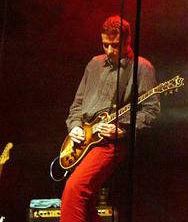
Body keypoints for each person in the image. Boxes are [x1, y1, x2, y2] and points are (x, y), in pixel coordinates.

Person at [60, 16, 159, 222]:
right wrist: (75, 126)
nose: (109, 50)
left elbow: (151, 112)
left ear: (128, 40)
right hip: (84, 140)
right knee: (86, 200)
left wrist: (123, 129)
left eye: (115, 45)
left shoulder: (141, 67)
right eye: (105, 44)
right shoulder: (94, 64)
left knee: (75, 188)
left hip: (110, 143)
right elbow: (77, 104)